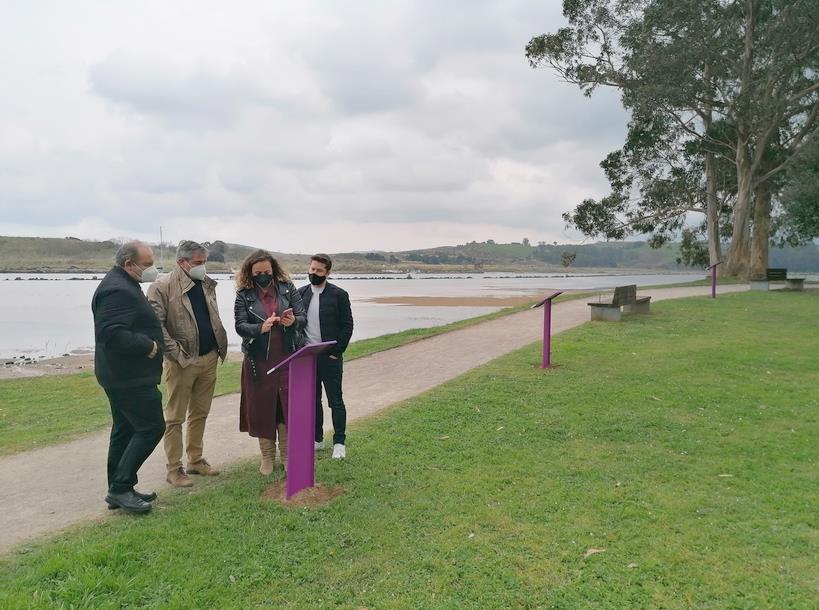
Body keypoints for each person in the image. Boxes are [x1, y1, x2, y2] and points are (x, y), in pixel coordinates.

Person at [147, 240, 228, 488]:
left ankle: (195, 459)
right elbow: (156, 327)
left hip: (209, 357)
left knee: (200, 413)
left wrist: (216, 349)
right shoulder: (161, 287)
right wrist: (177, 354)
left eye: (204, 262)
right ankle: (174, 468)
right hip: (181, 362)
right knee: (174, 418)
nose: (202, 267)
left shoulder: (205, 283)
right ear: (181, 262)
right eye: (198, 263)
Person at [92, 241, 165, 514]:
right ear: (128, 264)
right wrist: (148, 346)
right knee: (152, 427)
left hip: (122, 376)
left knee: (124, 430)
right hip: (129, 378)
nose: (152, 269)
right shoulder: (116, 290)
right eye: (147, 264)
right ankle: (120, 487)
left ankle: (119, 489)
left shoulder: (123, 284)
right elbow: (110, 333)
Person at [234, 249, 306, 475]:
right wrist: (260, 328)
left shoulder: (287, 288)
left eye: (266, 271)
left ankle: (286, 455)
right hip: (258, 361)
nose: (263, 275)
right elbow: (239, 325)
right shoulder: (244, 294)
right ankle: (267, 457)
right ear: (250, 272)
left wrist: (292, 322)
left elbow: (303, 318)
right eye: (258, 272)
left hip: (286, 356)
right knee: (263, 407)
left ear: (273, 270)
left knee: (285, 406)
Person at [298, 253, 353, 459]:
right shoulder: (300, 293)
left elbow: (347, 325)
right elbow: (296, 325)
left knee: (335, 401)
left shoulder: (339, 295)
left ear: (328, 273)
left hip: (330, 357)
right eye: (312, 269)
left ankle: (339, 442)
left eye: (319, 270)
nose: (314, 273)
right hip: (307, 356)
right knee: (313, 400)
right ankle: (317, 439)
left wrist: (336, 352)